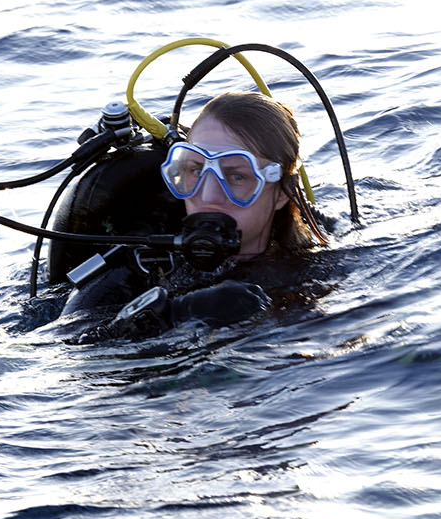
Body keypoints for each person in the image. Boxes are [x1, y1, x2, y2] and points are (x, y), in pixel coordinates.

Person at [56, 91, 329, 338]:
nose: (208, 196)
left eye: (236, 176)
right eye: (196, 171)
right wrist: (174, 314)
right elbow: (64, 348)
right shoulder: (142, 266)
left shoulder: (320, 268)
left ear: (282, 191)